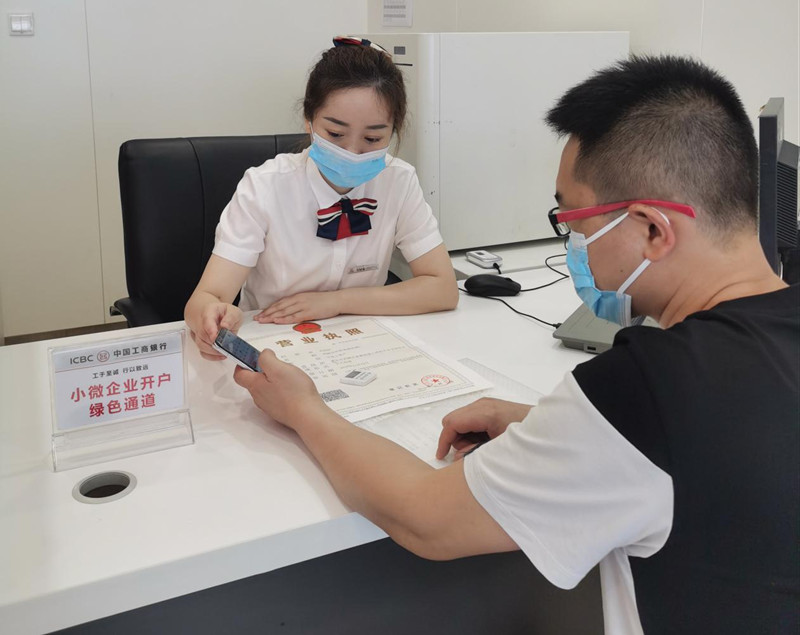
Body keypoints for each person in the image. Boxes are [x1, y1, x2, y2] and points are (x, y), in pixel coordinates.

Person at [232, 55, 800, 634]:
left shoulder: (644, 391)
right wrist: (548, 426)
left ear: (653, 229)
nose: (573, 245)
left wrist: (302, 407)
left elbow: (424, 517)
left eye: (575, 226)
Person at [185, 37, 458, 361]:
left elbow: (443, 288)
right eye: (335, 134)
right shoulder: (265, 186)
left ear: (393, 132)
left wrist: (337, 302)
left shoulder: (398, 181)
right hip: (274, 344)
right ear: (309, 120)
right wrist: (211, 316)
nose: (352, 151)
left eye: (373, 138)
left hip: (362, 343)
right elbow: (207, 296)